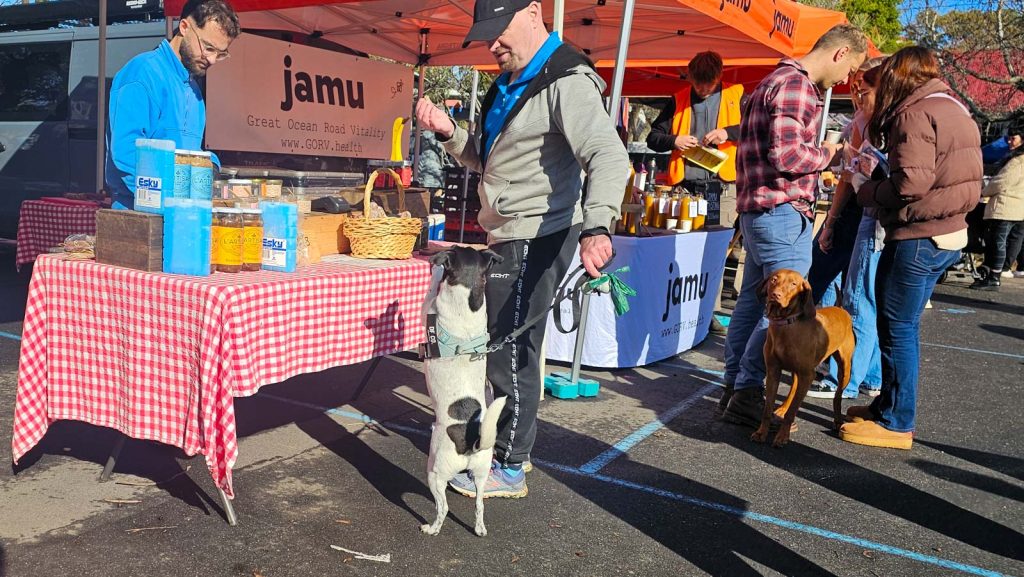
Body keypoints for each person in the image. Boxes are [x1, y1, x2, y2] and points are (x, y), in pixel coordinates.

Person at [414, 0, 628, 497]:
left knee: (509, 353)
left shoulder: (566, 79)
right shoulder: (507, 83)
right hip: (509, 231)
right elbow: (485, 159)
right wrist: (451, 135)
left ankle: (509, 465)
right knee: (509, 348)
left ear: (534, 11)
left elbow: (607, 154)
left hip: (538, 232)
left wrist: (598, 225)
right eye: (486, 34)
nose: (492, 45)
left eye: (499, 31)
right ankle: (510, 455)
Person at [718, 24, 868, 427]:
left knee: (752, 306)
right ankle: (748, 393)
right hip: (780, 212)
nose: (847, 79)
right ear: (840, 53)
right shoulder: (797, 86)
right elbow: (787, 156)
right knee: (782, 311)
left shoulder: (773, 80)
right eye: (850, 68)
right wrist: (831, 154)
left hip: (761, 211)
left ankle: (735, 389)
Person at [841, 46, 982, 449]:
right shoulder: (952, 105)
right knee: (900, 326)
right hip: (946, 231)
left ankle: (897, 422)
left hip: (919, 234)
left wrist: (865, 189)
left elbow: (911, 184)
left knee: (898, 328)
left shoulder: (913, 112)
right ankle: (888, 406)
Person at [105, 0, 239, 210]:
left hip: (180, 214)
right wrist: (171, 201)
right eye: (208, 47)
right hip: (138, 214)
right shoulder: (142, 72)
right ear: (184, 27)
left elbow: (188, 153)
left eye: (220, 53)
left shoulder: (194, 90)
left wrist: (209, 163)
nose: (212, 59)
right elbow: (126, 154)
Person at [646, 51, 744, 335]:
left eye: (708, 84)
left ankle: (707, 313)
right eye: (698, 84)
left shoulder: (737, 96)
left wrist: (728, 132)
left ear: (720, 77)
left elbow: (756, 130)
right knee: (678, 247)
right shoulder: (677, 99)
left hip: (719, 187)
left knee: (713, 250)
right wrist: (674, 140)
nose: (702, 89)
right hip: (684, 189)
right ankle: (675, 309)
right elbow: (653, 138)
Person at [809, 62, 885, 399]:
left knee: (859, 298)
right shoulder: (864, 121)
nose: (854, 94)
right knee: (858, 294)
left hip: (872, 215)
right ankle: (867, 375)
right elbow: (845, 176)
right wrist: (831, 220)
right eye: (853, 87)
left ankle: (843, 377)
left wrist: (834, 218)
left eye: (862, 89)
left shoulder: (883, 122)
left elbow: (848, 178)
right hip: (864, 213)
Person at [970, 133, 1024, 290]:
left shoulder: (1017, 161)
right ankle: (1000, 271)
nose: (1009, 141)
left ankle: (994, 276)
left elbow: (1002, 182)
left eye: (1013, 138)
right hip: (1020, 209)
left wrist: (984, 192)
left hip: (1006, 207)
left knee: (997, 243)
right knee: (1012, 241)